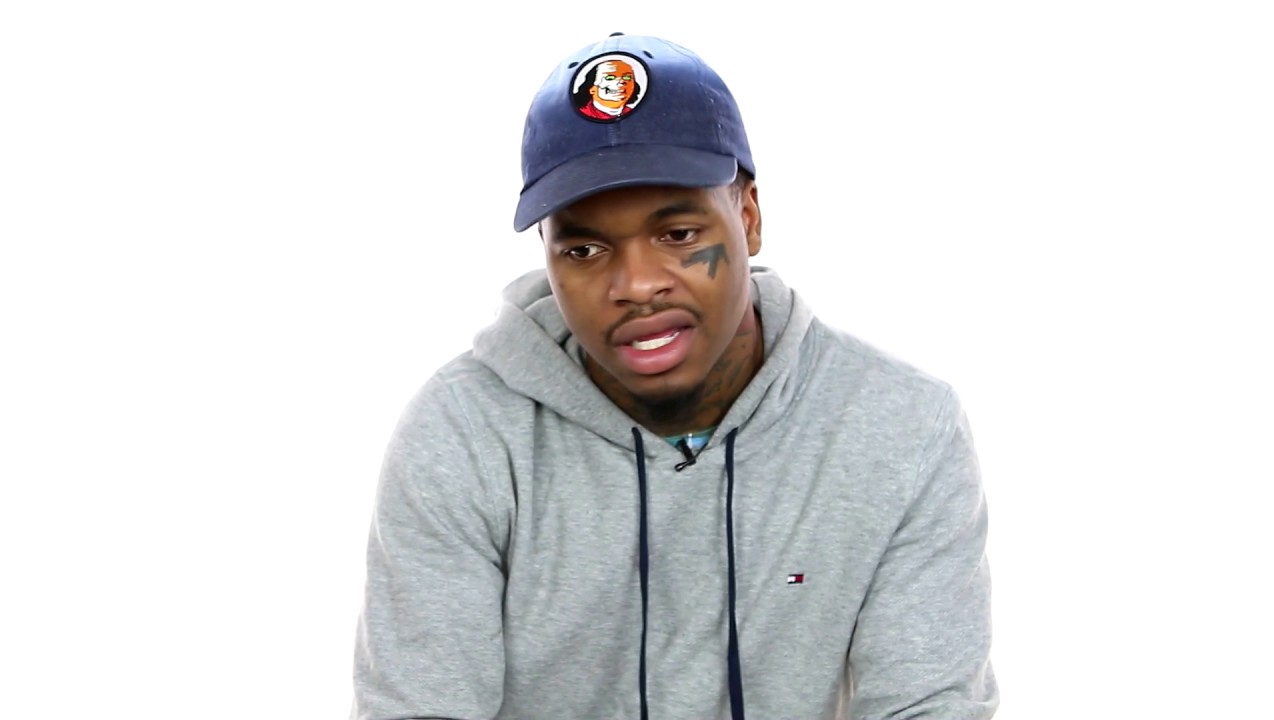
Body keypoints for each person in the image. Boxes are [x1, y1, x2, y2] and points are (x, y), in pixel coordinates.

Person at [351, 32, 998, 720]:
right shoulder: (464, 434)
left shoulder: (901, 427)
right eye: (584, 248)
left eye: (678, 235)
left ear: (748, 217)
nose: (635, 285)